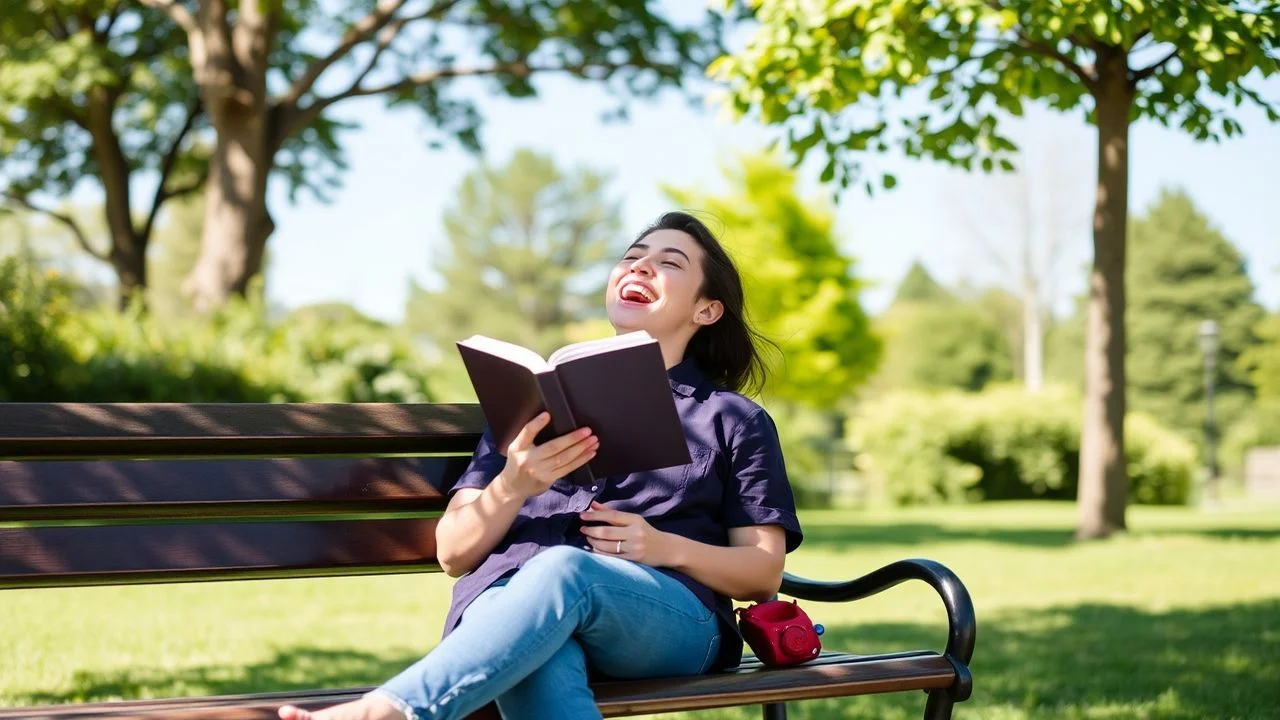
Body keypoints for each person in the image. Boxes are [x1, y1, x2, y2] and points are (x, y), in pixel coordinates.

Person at [279, 211, 803, 720]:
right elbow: (453, 552)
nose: (640, 267)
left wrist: (663, 546)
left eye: (670, 263)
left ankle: (389, 710)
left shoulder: (732, 419)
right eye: (632, 257)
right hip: (509, 608)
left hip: (667, 620)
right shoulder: (527, 405)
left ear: (706, 311)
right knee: (537, 659)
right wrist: (513, 483)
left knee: (562, 570)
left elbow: (761, 573)